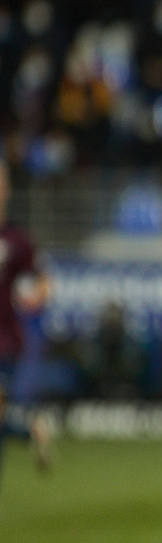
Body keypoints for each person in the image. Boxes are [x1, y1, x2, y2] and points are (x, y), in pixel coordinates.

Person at [0, 162, 53, 488]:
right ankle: (28, 428)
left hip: (3, 339)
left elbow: (42, 279)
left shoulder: (16, 240)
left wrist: (36, 296)